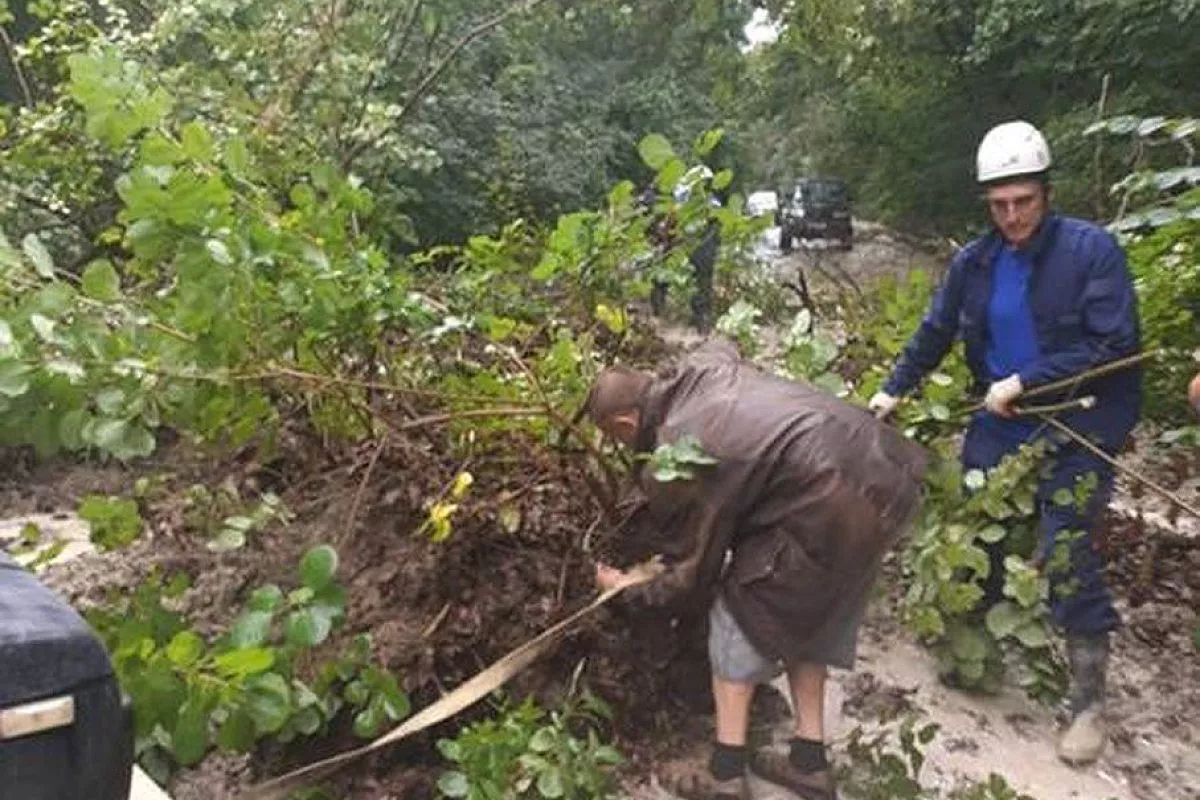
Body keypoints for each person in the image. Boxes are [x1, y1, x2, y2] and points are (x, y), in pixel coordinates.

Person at [868, 120, 1142, 766]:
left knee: (1065, 539)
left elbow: (1114, 344)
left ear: (1047, 193)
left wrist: (1029, 380)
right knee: (974, 521)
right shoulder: (975, 263)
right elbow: (936, 330)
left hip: (1081, 418)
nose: (1013, 216)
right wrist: (893, 389)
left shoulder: (1091, 252)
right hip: (1002, 417)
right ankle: (979, 643)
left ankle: (1087, 702)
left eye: (1025, 201)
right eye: (1000, 205)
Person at [586, 338, 927, 800]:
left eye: (616, 439)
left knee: (736, 615)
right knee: (816, 611)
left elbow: (692, 578)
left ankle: (726, 773)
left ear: (625, 424)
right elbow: (722, 345)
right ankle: (808, 762)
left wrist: (625, 587)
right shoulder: (700, 372)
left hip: (823, 497)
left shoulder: (678, 451)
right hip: (886, 475)